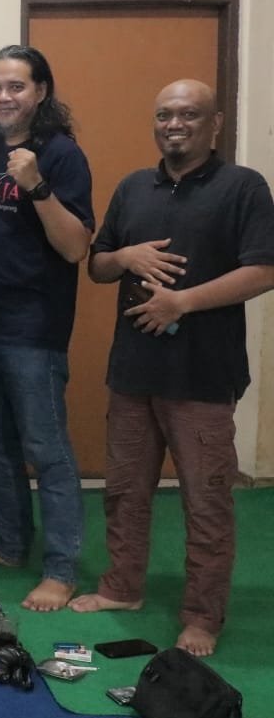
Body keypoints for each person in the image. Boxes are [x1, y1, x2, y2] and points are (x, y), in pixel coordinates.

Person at [69, 79, 274, 657]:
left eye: (188, 114)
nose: (174, 125)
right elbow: (98, 266)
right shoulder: (135, 187)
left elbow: (264, 269)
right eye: (164, 115)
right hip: (133, 372)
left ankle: (203, 617)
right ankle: (122, 587)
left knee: (206, 502)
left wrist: (181, 302)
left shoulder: (243, 187)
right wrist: (124, 256)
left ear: (215, 123)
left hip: (202, 377)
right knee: (123, 492)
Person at [0, 46, 94, 612]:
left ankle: (61, 569)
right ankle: (9, 543)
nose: (4, 97)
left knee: (47, 450)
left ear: (41, 91)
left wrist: (37, 185)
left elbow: (75, 246)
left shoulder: (62, 154)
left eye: (16, 86)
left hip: (33, 328)